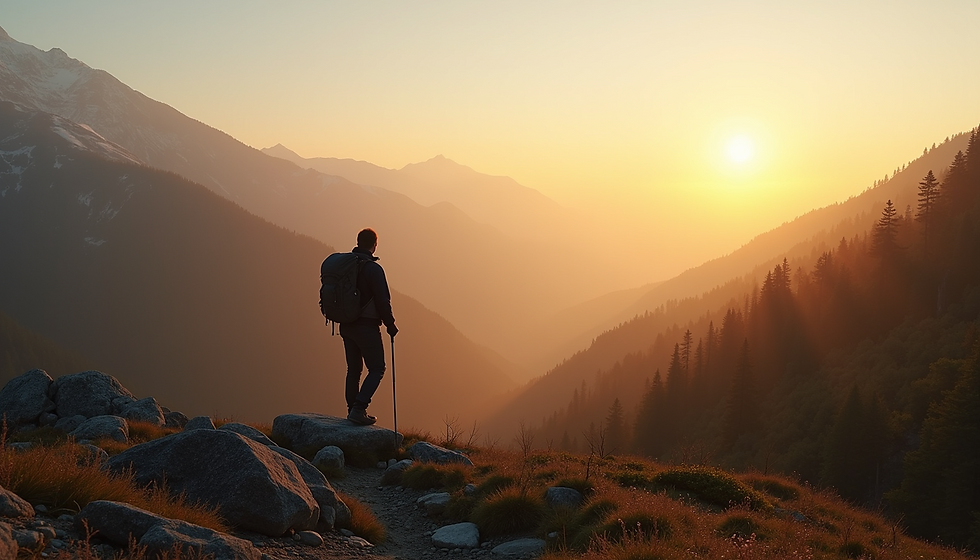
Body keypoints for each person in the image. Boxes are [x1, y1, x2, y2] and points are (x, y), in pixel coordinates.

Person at [341, 228, 397, 425]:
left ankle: (352, 410)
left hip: (346, 325)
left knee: (354, 370)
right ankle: (359, 408)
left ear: (358, 242)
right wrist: (391, 325)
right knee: (377, 368)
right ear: (374, 245)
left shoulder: (346, 266)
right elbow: (383, 301)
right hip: (366, 326)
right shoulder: (374, 269)